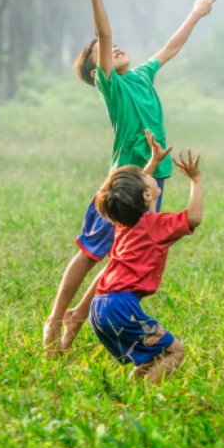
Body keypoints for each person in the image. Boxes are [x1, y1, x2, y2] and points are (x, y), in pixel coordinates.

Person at [42, 0, 215, 356]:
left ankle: (76, 321)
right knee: (90, 252)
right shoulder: (112, 87)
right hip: (123, 181)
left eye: (116, 46)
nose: (113, 47)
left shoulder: (140, 75)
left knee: (126, 253)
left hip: (153, 179)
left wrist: (195, 13)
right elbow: (103, 34)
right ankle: (56, 319)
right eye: (101, 52)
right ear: (95, 71)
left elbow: (170, 48)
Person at [89, 134, 203, 384]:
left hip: (100, 307)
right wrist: (195, 180)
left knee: (152, 356)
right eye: (147, 176)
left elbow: (131, 193)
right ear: (146, 196)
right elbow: (193, 218)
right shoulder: (156, 225)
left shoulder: (123, 222)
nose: (149, 175)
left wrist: (152, 162)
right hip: (122, 309)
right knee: (176, 351)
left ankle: (131, 392)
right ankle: (145, 399)